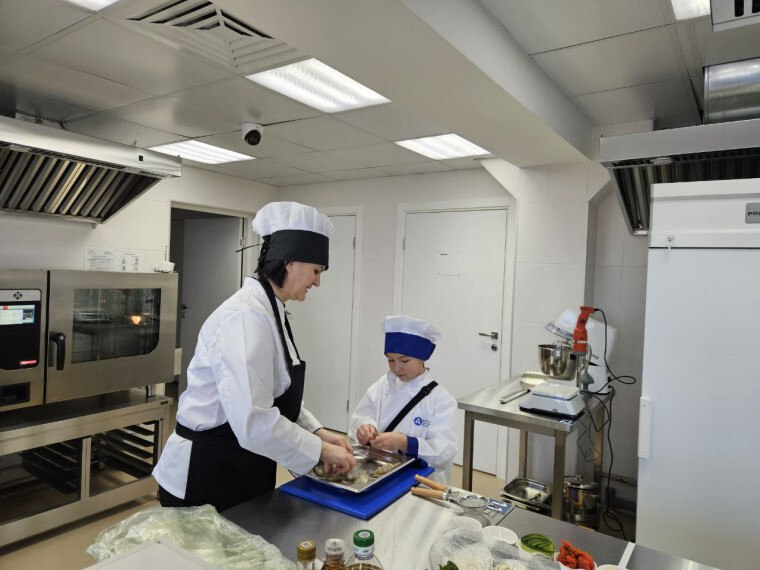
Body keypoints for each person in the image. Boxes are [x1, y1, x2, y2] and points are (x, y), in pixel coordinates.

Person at [153, 201, 356, 511]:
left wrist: (317, 431)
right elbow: (254, 420)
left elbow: (275, 392)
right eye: (316, 271)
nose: (318, 281)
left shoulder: (272, 311)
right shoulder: (245, 317)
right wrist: (320, 450)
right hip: (206, 472)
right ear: (290, 262)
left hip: (240, 463)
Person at [350, 315, 457, 484]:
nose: (397, 367)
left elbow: (444, 452)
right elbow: (362, 416)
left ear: (422, 358)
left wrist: (406, 443)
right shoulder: (382, 385)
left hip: (421, 481)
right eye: (390, 360)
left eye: (404, 360)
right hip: (379, 474)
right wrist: (365, 428)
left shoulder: (441, 400)